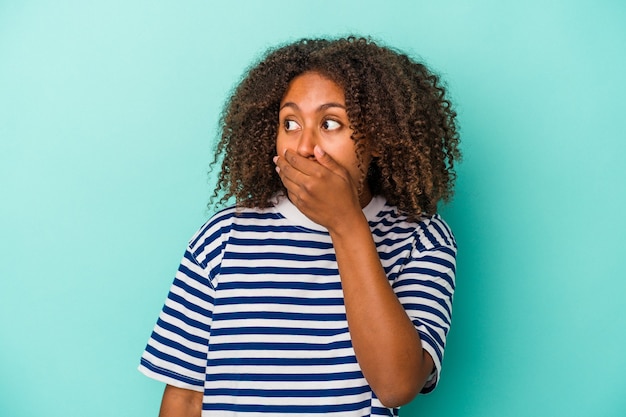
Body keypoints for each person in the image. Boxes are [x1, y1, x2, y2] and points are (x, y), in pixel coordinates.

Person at [139, 36, 461, 417]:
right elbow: (186, 396)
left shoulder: (419, 239)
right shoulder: (222, 239)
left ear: (379, 137)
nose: (305, 147)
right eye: (290, 123)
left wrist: (346, 225)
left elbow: (396, 386)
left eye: (330, 123)